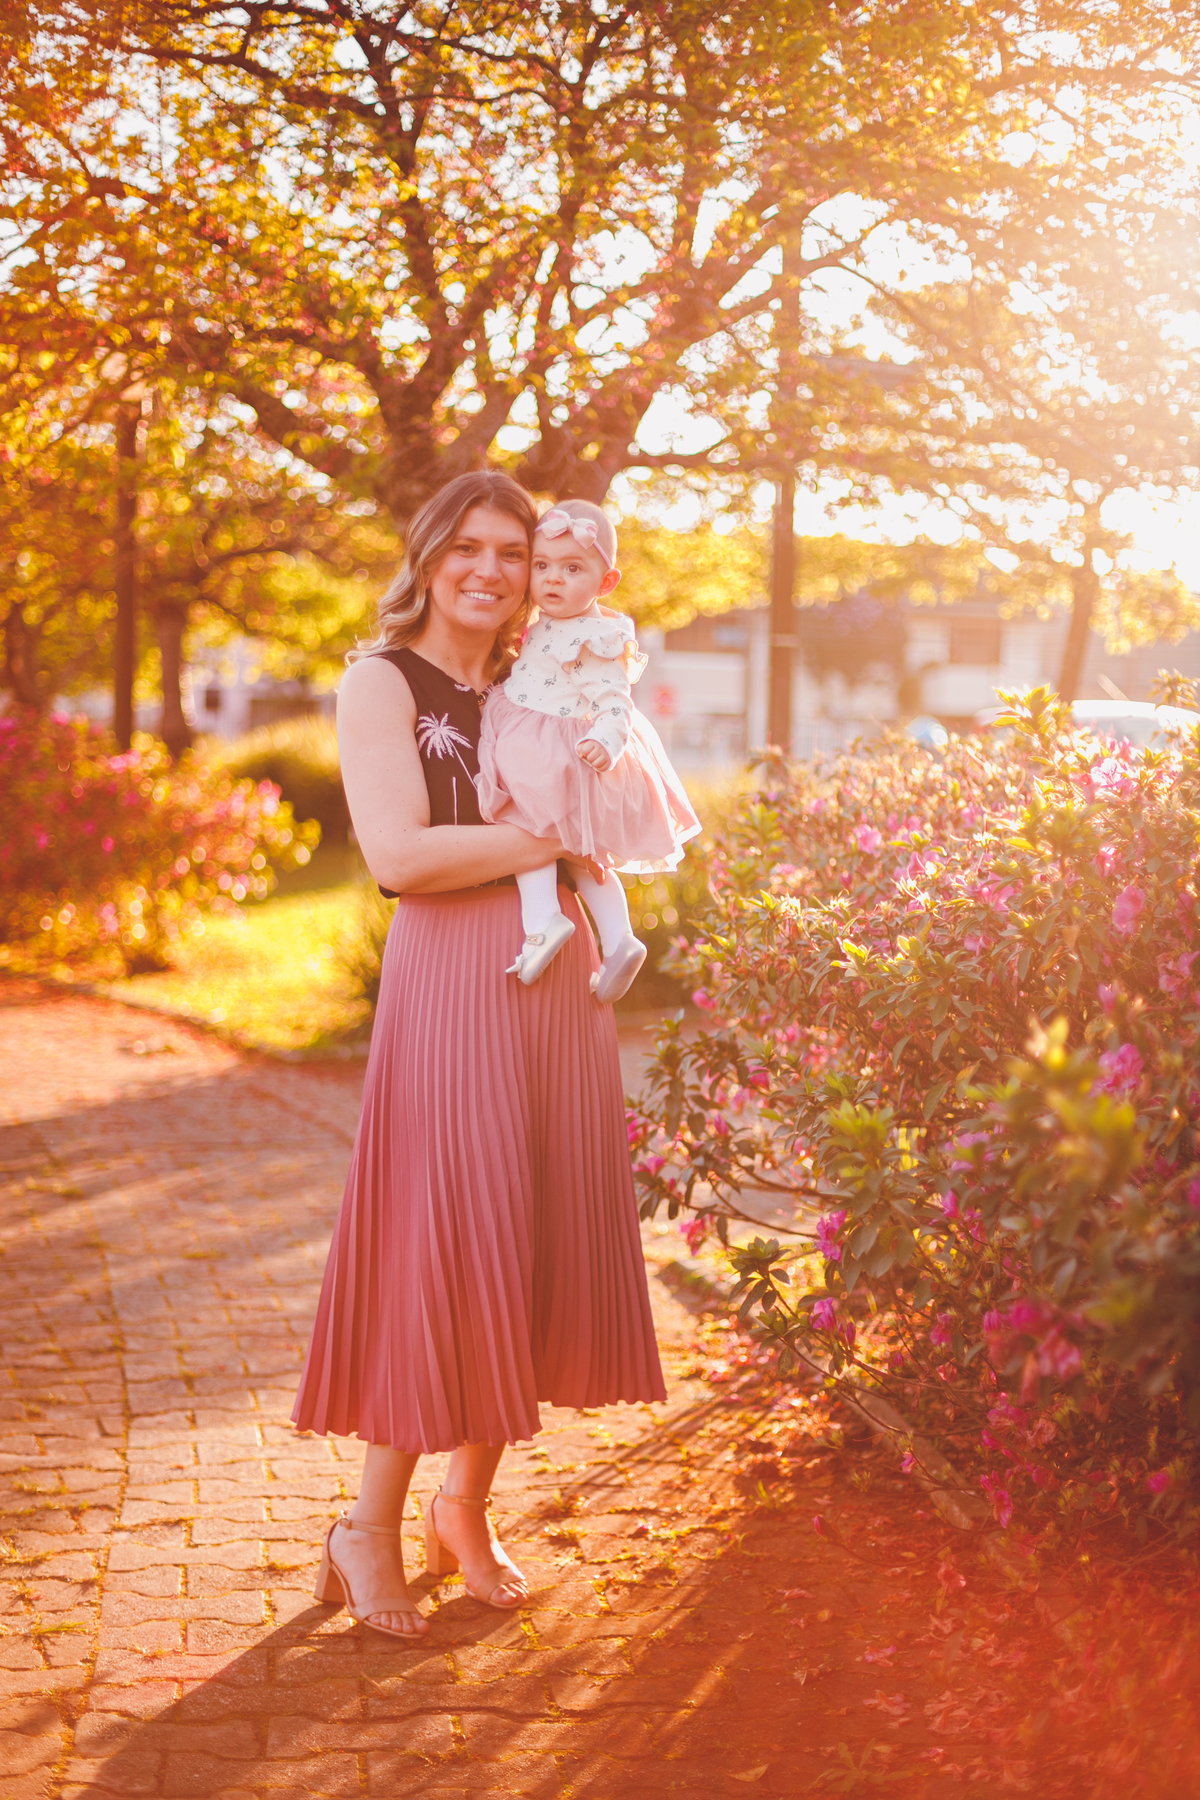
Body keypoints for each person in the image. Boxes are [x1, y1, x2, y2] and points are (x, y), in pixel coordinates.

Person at [292, 471, 667, 1640]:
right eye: (470, 548)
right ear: (429, 555)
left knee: (530, 1234)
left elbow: (616, 799)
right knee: (446, 1244)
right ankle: (365, 1526)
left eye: (513, 550)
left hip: (555, 988)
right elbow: (401, 856)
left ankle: (466, 1507)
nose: (493, 570)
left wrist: (582, 831)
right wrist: (557, 834)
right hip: (451, 983)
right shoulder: (379, 680)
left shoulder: (536, 671)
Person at [476, 500, 700, 1000]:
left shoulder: (598, 637)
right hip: (542, 740)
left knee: (524, 826)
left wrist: (605, 739)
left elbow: (615, 702)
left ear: (605, 584)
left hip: (561, 750)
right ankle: (619, 939)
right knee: (583, 856)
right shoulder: (545, 619)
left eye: (572, 569)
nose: (553, 580)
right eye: (542, 566)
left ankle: (543, 922)